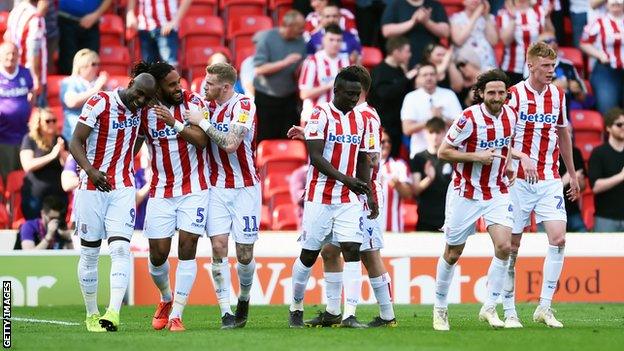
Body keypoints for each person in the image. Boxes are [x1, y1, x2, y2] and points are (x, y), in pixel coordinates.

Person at [288, 66, 392, 327]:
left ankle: (349, 314)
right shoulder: (319, 114)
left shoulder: (363, 119)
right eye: (348, 94)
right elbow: (316, 156)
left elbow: (363, 157)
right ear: (336, 91)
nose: (353, 99)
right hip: (320, 196)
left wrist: (367, 191)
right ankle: (296, 307)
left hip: (348, 198)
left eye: (357, 94)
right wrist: (347, 179)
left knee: (352, 250)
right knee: (310, 254)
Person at [69, 72, 157, 332]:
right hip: (91, 187)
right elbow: (75, 141)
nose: (140, 100)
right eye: (138, 93)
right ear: (130, 85)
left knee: (120, 249)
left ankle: (113, 313)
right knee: (90, 253)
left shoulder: (142, 111)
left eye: (146, 98)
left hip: (123, 188)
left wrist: (124, 161)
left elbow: (139, 137)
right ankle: (92, 314)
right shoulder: (100, 102)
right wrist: (91, 171)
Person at [503, 42, 580, 329]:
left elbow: (563, 134)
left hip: (548, 177)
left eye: (553, 65)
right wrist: (521, 157)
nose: (551, 70)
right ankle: (509, 309)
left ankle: (544, 307)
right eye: (546, 66)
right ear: (531, 65)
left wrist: (571, 174)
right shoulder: (513, 95)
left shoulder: (558, 95)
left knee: (559, 238)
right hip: (518, 181)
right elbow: (502, 138)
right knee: (512, 244)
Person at [433, 68, 516, 331]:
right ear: (480, 93)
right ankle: (440, 308)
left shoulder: (512, 115)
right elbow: (443, 152)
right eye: (491, 92)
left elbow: (506, 144)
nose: (496, 97)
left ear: (506, 94)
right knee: (453, 252)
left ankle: (490, 307)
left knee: (505, 247)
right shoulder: (468, 118)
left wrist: (510, 163)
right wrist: (476, 157)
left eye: (501, 92)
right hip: (465, 192)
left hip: (496, 190)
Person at [132, 61, 210, 332]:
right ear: (158, 89)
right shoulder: (145, 112)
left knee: (187, 248)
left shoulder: (193, 102)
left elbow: (202, 140)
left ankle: (177, 314)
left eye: (179, 82)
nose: (179, 88)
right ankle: (165, 297)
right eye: (172, 84)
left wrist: (174, 122)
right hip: (162, 191)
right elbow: (134, 146)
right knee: (157, 257)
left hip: (195, 189)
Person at [187, 63, 260, 329]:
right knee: (218, 247)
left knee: (244, 254)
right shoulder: (203, 104)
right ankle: (226, 312)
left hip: (246, 188)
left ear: (225, 87)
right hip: (215, 187)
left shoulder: (244, 106)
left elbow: (231, 144)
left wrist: (202, 122)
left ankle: (244, 297)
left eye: (209, 84)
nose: (204, 87)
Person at [253, 10, 306, 142]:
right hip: (266, 98)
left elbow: (300, 68)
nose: (302, 31)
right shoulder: (267, 38)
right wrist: (285, 62)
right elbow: (259, 69)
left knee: (289, 137)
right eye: (299, 28)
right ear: (288, 26)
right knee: (266, 138)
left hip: (289, 97)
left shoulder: (300, 42)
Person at [401, 62, 463, 158]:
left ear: (437, 76)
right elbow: (407, 129)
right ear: (418, 78)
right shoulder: (411, 97)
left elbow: (461, 126)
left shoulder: (449, 94)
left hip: (447, 152)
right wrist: (431, 118)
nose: (429, 78)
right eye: (424, 75)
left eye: (432, 74)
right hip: (419, 153)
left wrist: (442, 118)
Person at [369, 36, 417, 158]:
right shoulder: (379, 71)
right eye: (407, 51)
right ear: (396, 51)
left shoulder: (401, 70)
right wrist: (406, 78)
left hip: (397, 125)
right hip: (382, 125)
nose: (410, 55)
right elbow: (384, 94)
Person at [20, 108, 69, 220]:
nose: (52, 123)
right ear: (39, 123)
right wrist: (52, 155)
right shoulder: (29, 139)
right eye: (48, 121)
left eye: (54, 120)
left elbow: (68, 165)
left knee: (56, 229)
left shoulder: (60, 140)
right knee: (36, 229)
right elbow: (27, 165)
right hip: (35, 195)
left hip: (58, 195)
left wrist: (62, 153)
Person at [299, 23, 351, 121]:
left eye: (338, 40)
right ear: (323, 40)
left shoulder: (346, 61)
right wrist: (330, 85)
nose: (335, 43)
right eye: (331, 39)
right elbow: (304, 94)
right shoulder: (312, 61)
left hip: (340, 119)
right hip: (315, 119)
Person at [580, 0, 624, 115]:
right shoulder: (599, 22)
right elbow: (584, 43)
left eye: (619, 1)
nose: (616, 3)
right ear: (606, 4)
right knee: (608, 111)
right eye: (613, 2)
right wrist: (599, 54)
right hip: (606, 70)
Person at [410, 117, 452, 231]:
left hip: (448, 219)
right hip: (425, 219)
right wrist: (429, 178)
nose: (435, 136)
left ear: (444, 133)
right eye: (431, 132)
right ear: (426, 133)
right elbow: (415, 190)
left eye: (438, 132)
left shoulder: (452, 157)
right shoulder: (419, 158)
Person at [497, 0, 553, 85]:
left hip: (536, 69)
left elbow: (551, 35)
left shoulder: (539, 11)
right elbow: (505, 41)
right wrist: (512, 19)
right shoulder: (504, 13)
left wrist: (547, 18)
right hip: (512, 68)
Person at [0, 41, 33, 182]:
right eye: (7, 53)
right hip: (4, 137)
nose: (11, 57)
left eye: (14, 53)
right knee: (7, 176)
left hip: (23, 135)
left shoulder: (25, 73)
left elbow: (32, 94)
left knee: (23, 177)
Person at [381, 0, 450, 67]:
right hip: (404, 57)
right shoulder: (395, 5)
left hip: (430, 57)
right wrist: (412, 22)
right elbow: (386, 31)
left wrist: (427, 22)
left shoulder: (435, 5)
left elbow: (445, 32)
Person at [126, 0, 192, 69]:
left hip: (166, 27)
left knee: (169, 68)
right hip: (144, 28)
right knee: (148, 69)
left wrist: (174, 21)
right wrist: (130, 13)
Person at [4, 0, 46, 106]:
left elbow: (6, 37)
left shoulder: (15, 11)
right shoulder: (36, 18)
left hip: (17, 72)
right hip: (31, 74)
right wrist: (36, 78)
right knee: (36, 117)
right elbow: (33, 51)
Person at [588, 107, 624, 232]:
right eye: (619, 124)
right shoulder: (598, 153)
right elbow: (595, 187)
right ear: (608, 128)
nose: (623, 127)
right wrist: (621, 176)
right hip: (606, 218)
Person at [61, 49, 108, 141]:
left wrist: (104, 89)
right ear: (82, 66)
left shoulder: (98, 82)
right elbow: (71, 102)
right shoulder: (70, 82)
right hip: (74, 136)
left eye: (98, 64)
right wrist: (96, 89)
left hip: (95, 136)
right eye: (93, 64)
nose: (97, 67)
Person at [57, 0, 111, 75]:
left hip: (92, 23)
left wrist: (95, 15)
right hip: (65, 22)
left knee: (91, 63)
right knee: (67, 65)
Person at [377, 129, 413, 232]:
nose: (387, 144)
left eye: (389, 142)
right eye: (383, 141)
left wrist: (398, 185)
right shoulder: (364, 165)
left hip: (393, 228)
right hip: (370, 229)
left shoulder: (399, 165)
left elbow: (409, 194)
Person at [449, 0, 498, 71]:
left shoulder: (488, 17)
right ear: (463, 1)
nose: (475, 0)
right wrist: (476, 14)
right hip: (468, 66)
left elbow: (494, 41)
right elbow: (459, 40)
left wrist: (486, 16)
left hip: (489, 65)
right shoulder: (456, 18)